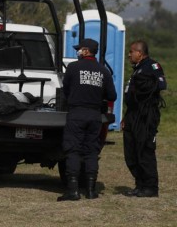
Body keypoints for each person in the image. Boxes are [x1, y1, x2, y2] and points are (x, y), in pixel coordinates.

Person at [57, 38, 117, 201]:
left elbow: (66, 89)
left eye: (79, 49)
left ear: (85, 51)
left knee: (73, 151)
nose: (78, 52)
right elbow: (112, 95)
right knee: (91, 151)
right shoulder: (103, 71)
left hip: (76, 114)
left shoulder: (73, 67)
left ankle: (73, 191)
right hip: (94, 115)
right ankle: (91, 190)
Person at [122, 40, 167, 198]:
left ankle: (150, 187)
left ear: (139, 53)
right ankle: (139, 184)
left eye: (131, 52)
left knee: (145, 151)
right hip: (133, 115)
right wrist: (126, 117)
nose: (129, 55)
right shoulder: (137, 69)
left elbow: (161, 84)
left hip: (146, 116)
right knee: (131, 151)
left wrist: (144, 86)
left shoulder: (152, 66)